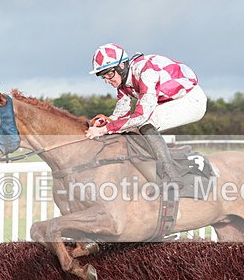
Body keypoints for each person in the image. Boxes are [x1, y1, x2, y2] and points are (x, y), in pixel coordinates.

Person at [85, 43, 207, 183]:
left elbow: (141, 116)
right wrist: (103, 124)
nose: (107, 80)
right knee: (128, 126)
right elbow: (119, 116)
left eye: (109, 74)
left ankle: (171, 175)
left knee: (145, 123)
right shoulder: (123, 84)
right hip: (169, 101)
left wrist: (105, 130)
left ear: (122, 66)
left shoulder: (146, 72)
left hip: (191, 100)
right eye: (103, 76)